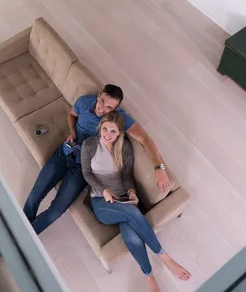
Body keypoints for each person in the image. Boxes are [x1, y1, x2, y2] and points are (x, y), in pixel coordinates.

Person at [23, 84, 170, 235]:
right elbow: (71, 114)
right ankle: (18, 225)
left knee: (56, 211)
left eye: (109, 107)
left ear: (114, 109)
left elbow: (146, 139)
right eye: (101, 101)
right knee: (35, 194)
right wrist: (73, 131)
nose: (102, 109)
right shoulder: (84, 102)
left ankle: (23, 237)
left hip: (82, 168)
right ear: (98, 95)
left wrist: (160, 168)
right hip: (64, 152)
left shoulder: (117, 119)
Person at [81, 111, 191, 292]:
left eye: (112, 131)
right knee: (132, 213)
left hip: (124, 199)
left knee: (131, 236)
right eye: (105, 128)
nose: (107, 133)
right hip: (101, 201)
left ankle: (149, 276)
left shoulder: (124, 148)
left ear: (119, 133)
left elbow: (126, 176)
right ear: (100, 127)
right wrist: (104, 190)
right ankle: (164, 257)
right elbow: (87, 173)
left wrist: (131, 191)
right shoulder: (90, 144)